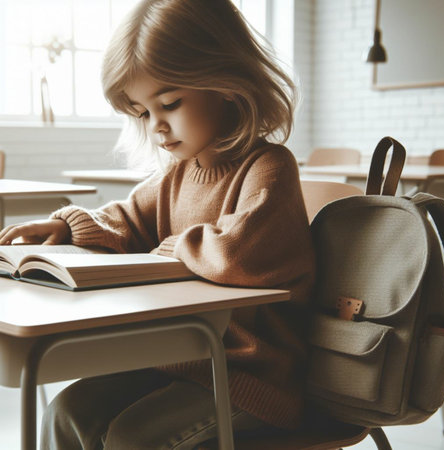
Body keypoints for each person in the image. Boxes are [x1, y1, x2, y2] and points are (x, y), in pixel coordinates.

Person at [0, 0, 315, 448]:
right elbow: (126, 220)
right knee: (66, 414)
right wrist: (69, 228)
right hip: (173, 360)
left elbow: (240, 251)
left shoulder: (268, 166)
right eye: (143, 112)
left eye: (169, 103)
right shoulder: (175, 174)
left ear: (226, 83)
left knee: (132, 439)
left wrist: (165, 248)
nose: (157, 128)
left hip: (250, 379)